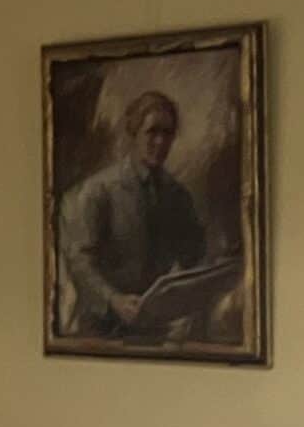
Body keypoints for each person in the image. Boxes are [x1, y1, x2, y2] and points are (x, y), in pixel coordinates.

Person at [60, 89, 211, 337]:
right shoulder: (99, 190)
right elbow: (79, 262)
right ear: (133, 134)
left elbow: (193, 255)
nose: (160, 142)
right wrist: (113, 299)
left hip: (156, 327)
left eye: (167, 133)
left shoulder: (177, 196)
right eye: (152, 132)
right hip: (102, 328)